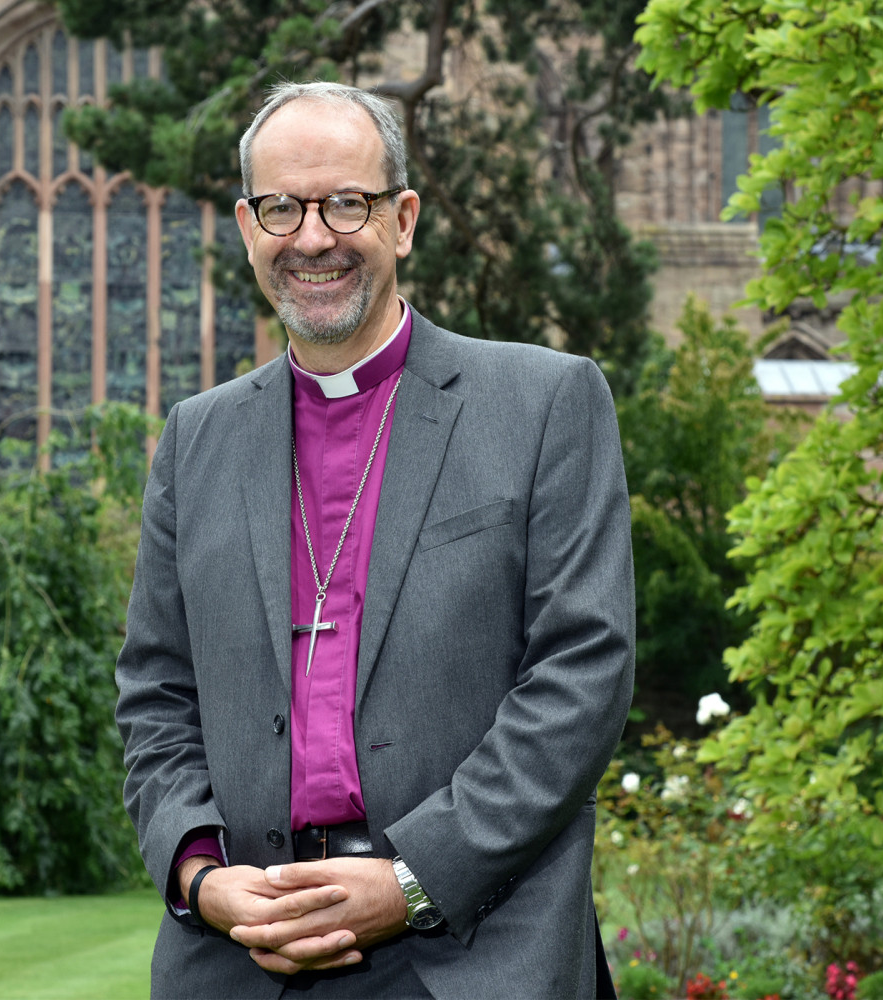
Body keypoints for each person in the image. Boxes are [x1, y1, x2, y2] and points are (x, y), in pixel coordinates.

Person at [115, 81, 634, 999]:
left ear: (402, 219)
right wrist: (201, 875)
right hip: (244, 958)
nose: (312, 237)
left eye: (345, 204)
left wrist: (412, 878)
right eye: (282, 207)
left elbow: (581, 674)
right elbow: (157, 693)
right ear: (247, 227)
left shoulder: (544, 403)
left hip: (472, 954)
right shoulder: (197, 439)